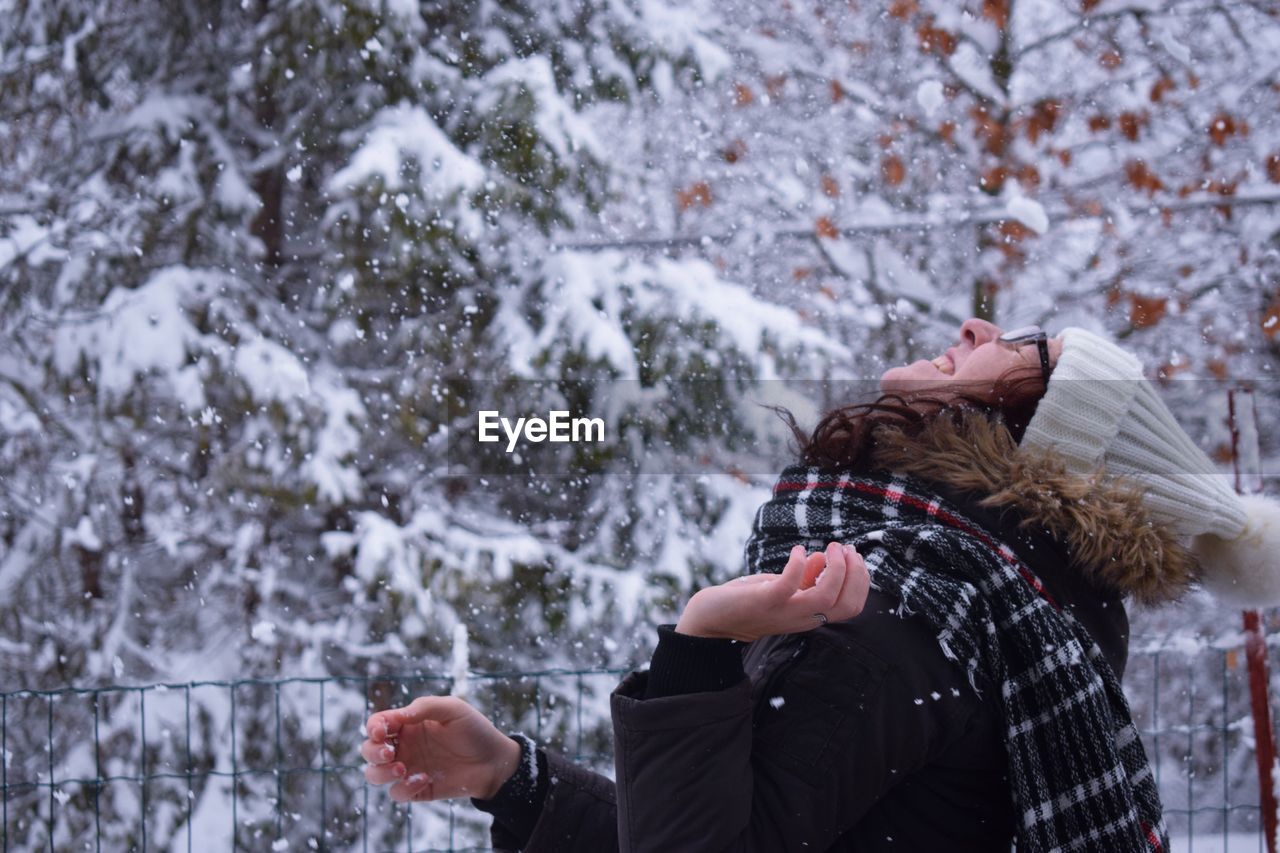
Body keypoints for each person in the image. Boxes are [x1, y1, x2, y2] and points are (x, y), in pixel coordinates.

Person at [359, 319, 1280, 852]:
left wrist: (699, 642)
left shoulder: (909, 617)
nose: (975, 329)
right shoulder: (1015, 627)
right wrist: (518, 783)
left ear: (1042, 438)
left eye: (1026, 347)